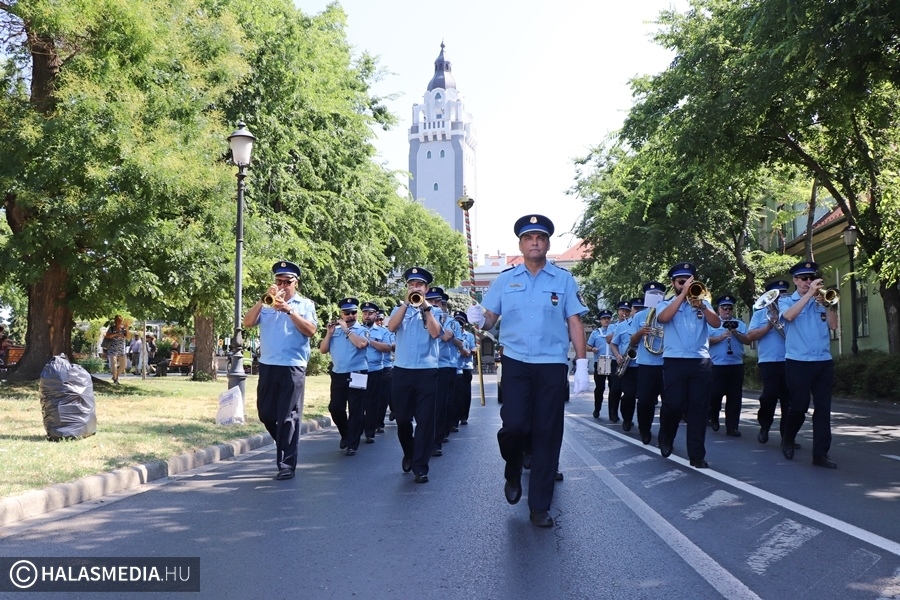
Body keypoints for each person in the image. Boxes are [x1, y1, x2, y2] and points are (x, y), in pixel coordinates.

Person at [467, 214, 589, 528]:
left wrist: (582, 363)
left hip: (551, 363)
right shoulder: (506, 280)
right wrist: (478, 318)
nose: (534, 242)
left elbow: (575, 321)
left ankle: (539, 506)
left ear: (547, 243)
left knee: (548, 434)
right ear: (520, 244)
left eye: (540, 237)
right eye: (528, 238)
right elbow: (491, 318)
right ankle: (512, 466)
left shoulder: (563, 280)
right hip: (517, 362)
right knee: (514, 427)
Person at [242, 260, 317, 480]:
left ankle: (286, 464)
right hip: (268, 365)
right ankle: (285, 443)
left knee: (288, 417)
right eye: (278, 281)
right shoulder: (266, 304)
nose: (282, 286)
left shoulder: (305, 305)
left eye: (287, 282)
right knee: (265, 414)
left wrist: (289, 310)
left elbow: (311, 330)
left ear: (296, 283)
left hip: (293, 366)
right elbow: (247, 322)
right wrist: (263, 299)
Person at [655, 263, 721, 469]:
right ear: (673, 284)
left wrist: (702, 305)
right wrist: (682, 296)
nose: (685, 284)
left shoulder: (703, 302)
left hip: (700, 361)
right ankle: (666, 436)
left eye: (688, 281)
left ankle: (697, 455)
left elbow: (717, 324)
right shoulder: (665, 303)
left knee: (699, 409)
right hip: (675, 361)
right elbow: (663, 318)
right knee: (673, 404)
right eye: (681, 282)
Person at [386, 267, 443, 484]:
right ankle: (409, 453)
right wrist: (405, 304)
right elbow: (391, 327)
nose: (414, 288)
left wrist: (426, 308)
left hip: (427, 371)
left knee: (425, 421)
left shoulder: (435, 311)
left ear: (426, 289)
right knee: (402, 419)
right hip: (402, 371)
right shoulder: (399, 309)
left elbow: (436, 333)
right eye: (411, 284)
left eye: (419, 285)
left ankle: (421, 466)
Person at [779, 261, 839, 468]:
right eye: (804, 278)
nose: (808, 282)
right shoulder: (786, 301)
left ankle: (820, 454)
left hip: (823, 361)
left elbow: (833, 325)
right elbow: (788, 316)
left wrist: (828, 304)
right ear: (795, 280)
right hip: (798, 362)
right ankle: (788, 438)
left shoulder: (819, 301)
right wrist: (807, 295)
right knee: (799, 406)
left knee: (823, 408)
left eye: (811, 278)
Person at [745, 279, 793, 445]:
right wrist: (768, 326)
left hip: (791, 360)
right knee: (769, 396)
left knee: (789, 400)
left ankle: (787, 437)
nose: (781, 297)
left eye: (784, 293)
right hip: (769, 361)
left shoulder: (791, 311)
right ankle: (764, 426)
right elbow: (750, 336)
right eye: (777, 295)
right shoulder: (760, 313)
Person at [320, 297, 369, 456]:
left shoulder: (362, 329)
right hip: (338, 373)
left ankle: (352, 444)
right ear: (341, 313)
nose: (350, 315)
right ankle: (346, 434)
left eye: (354, 312)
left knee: (356, 409)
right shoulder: (335, 330)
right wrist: (329, 334)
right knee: (335, 408)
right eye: (347, 313)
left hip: (358, 372)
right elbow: (323, 350)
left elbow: (361, 344)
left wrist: (347, 330)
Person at [628, 282, 667, 445]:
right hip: (646, 364)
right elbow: (632, 341)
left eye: (658, 294)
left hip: (666, 363)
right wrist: (640, 332)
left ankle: (666, 433)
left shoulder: (668, 312)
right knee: (644, 401)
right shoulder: (639, 316)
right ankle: (645, 429)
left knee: (670, 402)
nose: (655, 297)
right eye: (652, 295)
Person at [707, 295, 751, 436]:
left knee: (734, 397)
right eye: (724, 308)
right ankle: (713, 416)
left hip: (736, 364)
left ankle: (732, 427)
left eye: (730, 308)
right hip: (717, 365)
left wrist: (736, 333)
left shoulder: (739, 324)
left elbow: (748, 340)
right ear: (718, 309)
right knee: (715, 393)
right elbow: (704, 341)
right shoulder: (712, 324)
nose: (727, 310)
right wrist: (720, 337)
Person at [611, 297, 645, 431]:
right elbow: (613, 344)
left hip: (645, 365)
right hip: (629, 366)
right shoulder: (622, 326)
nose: (638, 311)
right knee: (629, 395)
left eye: (641, 309)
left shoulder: (648, 323)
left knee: (644, 398)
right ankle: (627, 418)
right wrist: (618, 355)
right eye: (636, 308)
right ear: (631, 310)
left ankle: (644, 424)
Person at [360, 302, 392, 441]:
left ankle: (369, 432)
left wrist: (370, 341)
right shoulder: (356, 329)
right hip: (358, 370)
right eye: (365, 313)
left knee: (373, 402)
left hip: (375, 370)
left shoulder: (382, 331)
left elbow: (387, 348)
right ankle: (357, 429)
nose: (367, 316)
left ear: (376, 315)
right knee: (359, 402)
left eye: (370, 313)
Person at [604, 300, 632, 423]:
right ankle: (613, 413)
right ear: (618, 312)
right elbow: (609, 339)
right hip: (616, 360)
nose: (624, 313)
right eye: (622, 311)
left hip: (629, 362)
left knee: (629, 391)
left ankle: (627, 416)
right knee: (615, 388)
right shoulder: (613, 326)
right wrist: (621, 328)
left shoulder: (633, 324)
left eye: (627, 311)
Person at [587, 310, 612, 419]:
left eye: (608, 318)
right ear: (600, 320)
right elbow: (587, 346)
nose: (606, 320)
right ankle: (597, 409)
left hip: (613, 361)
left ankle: (613, 412)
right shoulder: (596, 333)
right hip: (601, 361)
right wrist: (592, 349)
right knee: (600, 388)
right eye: (604, 318)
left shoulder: (615, 330)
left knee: (614, 388)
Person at [453, 311, 477, 426]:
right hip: (454, 367)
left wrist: (472, 351)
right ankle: (454, 419)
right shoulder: (451, 334)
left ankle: (463, 416)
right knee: (454, 395)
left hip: (466, 367)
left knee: (465, 394)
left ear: (464, 324)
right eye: (457, 322)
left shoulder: (469, 336)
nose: (459, 324)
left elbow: (473, 349)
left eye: (461, 322)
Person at [104, 315, 128, 384]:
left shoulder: (124, 329)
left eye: (120, 321)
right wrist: (116, 334)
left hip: (121, 350)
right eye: (117, 321)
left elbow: (128, 337)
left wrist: (127, 329)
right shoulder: (111, 328)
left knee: (123, 365)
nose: (119, 322)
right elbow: (107, 336)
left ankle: (115, 376)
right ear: (115, 321)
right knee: (114, 364)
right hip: (112, 349)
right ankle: (115, 380)